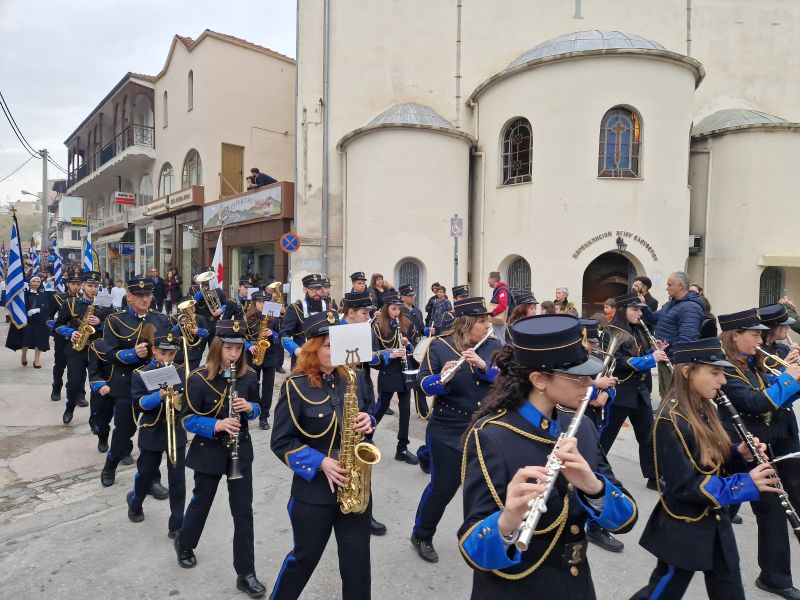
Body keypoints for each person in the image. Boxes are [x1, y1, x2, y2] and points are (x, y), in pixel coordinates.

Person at [458, 314, 637, 598]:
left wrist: (593, 487)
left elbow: (626, 521)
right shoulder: (491, 435)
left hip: (575, 586)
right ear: (539, 379)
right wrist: (507, 521)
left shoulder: (581, 425)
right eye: (578, 377)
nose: (590, 383)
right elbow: (474, 550)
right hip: (515, 588)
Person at [631, 337, 779, 600]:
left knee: (730, 588)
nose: (722, 381)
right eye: (715, 373)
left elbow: (714, 460)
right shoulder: (670, 420)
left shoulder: (704, 407)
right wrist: (745, 484)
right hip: (685, 524)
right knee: (665, 589)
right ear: (687, 373)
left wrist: (740, 454)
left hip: (715, 517)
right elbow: (686, 485)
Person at [270, 311, 375, 599]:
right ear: (313, 348)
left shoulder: (352, 378)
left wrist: (369, 422)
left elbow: (364, 418)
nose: (337, 350)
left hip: (355, 489)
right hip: (313, 492)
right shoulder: (295, 386)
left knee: (357, 566)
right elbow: (280, 441)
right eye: (329, 345)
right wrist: (321, 462)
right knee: (303, 560)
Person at [175, 319, 266, 598]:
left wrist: (249, 408)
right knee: (202, 502)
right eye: (228, 348)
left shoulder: (249, 376)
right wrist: (216, 426)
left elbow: (259, 408)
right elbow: (187, 419)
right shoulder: (198, 379)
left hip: (241, 451)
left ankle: (245, 573)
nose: (234, 355)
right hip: (209, 450)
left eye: (238, 349)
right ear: (217, 348)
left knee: (243, 512)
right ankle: (185, 542)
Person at [718, 307, 800, 599]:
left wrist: (794, 381)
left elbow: (776, 399)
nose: (760, 340)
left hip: (764, 445)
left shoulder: (753, 363)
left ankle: (774, 578)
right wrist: (788, 378)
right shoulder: (724, 368)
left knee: (772, 509)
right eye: (754, 335)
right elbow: (754, 403)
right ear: (734, 336)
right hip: (736, 447)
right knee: (718, 507)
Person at [412, 297, 502, 563]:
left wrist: (484, 367)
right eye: (482, 321)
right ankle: (422, 534)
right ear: (466, 323)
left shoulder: (494, 345)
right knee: (443, 487)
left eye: (487, 320)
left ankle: (479, 538)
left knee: (485, 488)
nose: (488, 325)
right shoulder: (440, 345)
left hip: (484, 426)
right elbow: (422, 383)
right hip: (448, 425)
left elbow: (509, 378)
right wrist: (442, 379)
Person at [98, 276, 171, 487]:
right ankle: (110, 466)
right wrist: (132, 354)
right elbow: (107, 352)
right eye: (139, 295)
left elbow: (170, 348)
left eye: (148, 295)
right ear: (129, 297)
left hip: (155, 382)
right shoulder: (115, 320)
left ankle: (152, 479)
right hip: (126, 384)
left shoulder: (161, 319)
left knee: (154, 433)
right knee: (123, 432)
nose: (144, 299)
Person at [599, 292, 668, 490]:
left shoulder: (641, 331)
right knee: (606, 436)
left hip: (640, 392)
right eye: (635, 309)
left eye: (640, 309)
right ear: (623, 311)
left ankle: (654, 476)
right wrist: (650, 359)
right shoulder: (610, 332)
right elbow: (619, 361)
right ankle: (593, 472)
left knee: (648, 436)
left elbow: (638, 357)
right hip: (619, 391)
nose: (640, 313)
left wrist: (653, 352)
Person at [126, 330, 187, 539]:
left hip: (175, 430)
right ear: (153, 350)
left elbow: (187, 402)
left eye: (172, 354)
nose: (167, 359)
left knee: (178, 480)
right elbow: (139, 404)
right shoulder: (140, 373)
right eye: (163, 353)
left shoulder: (180, 371)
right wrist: (159, 396)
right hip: (151, 429)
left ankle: (177, 525)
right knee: (146, 474)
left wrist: (179, 399)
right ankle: (135, 503)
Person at [54, 271, 112, 425]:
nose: (93, 289)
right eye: (90, 286)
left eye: (96, 286)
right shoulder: (70, 303)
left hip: (97, 351)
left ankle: (96, 419)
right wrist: (70, 332)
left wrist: (100, 323)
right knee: (73, 384)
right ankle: (69, 407)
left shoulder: (105, 304)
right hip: (76, 349)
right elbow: (57, 325)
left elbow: (114, 327)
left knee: (98, 387)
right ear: (83, 286)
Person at [372, 290, 420, 465]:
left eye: (399, 309)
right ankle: (366, 437)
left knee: (406, 410)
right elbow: (372, 354)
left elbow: (416, 347)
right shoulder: (377, 327)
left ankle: (402, 448)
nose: (397, 312)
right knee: (381, 407)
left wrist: (408, 345)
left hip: (404, 372)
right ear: (386, 309)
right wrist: (389, 355)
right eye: (394, 309)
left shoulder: (405, 323)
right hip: (388, 372)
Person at [640, 271, 705, 396]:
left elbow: (687, 338)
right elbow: (653, 318)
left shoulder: (690, 308)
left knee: (676, 398)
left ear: (680, 286)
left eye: (669, 285)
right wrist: (643, 305)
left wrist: (678, 363)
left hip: (674, 361)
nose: (667, 288)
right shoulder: (671, 304)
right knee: (666, 395)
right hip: (665, 357)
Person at [244, 291, 281, 430]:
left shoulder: (274, 318)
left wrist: (273, 334)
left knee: (268, 388)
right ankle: (249, 413)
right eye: (260, 302)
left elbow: (281, 336)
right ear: (254, 303)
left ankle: (264, 417)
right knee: (252, 386)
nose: (262, 305)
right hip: (253, 355)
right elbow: (242, 337)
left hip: (270, 355)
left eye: (265, 302)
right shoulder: (247, 318)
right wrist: (249, 346)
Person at [280, 273, 330, 368]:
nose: (317, 292)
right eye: (312, 289)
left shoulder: (327, 308)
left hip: (323, 361)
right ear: (305, 289)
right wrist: (297, 350)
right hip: (302, 360)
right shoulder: (295, 308)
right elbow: (284, 335)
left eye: (319, 288)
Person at [48, 270, 82, 401]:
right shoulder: (58, 298)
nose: (76, 287)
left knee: (79, 367)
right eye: (73, 283)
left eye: (78, 284)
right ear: (68, 284)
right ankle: (56, 387)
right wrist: (56, 327)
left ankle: (79, 393)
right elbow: (49, 316)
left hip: (80, 337)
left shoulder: (84, 299)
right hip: (62, 337)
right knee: (60, 364)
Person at [5, 274, 50, 368]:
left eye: (38, 282)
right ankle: (23, 355)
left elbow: (47, 307)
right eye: (34, 281)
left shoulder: (44, 294)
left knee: (40, 341)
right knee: (25, 340)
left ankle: (36, 360)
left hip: (40, 321)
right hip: (27, 321)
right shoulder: (24, 294)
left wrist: (38, 310)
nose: (36, 283)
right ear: (29, 282)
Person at [190, 267, 227, 342]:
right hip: (200, 323)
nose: (209, 279)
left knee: (214, 350)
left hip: (214, 323)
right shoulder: (194, 289)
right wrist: (202, 291)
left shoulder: (218, 290)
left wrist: (220, 310)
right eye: (207, 277)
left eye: (211, 276)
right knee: (196, 352)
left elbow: (226, 304)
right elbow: (191, 302)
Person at [487, 271, 511, 343]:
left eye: (489, 278)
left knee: (502, 342)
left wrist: (493, 312)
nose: (488, 281)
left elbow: (503, 305)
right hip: (499, 321)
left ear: (493, 279)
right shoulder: (499, 290)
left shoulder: (502, 290)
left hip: (501, 322)